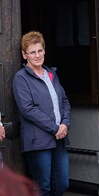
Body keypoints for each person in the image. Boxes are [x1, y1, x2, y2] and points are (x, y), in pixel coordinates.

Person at [13, 31, 71, 196]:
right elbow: (28, 109)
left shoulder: (52, 74)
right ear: (25, 55)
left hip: (59, 138)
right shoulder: (21, 78)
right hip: (38, 141)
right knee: (42, 187)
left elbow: (64, 101)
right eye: (32, 52)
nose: (37, 55)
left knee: (62, 184)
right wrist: (54, 128)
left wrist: (65, 124)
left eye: (40, 50)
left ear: (44, 51)